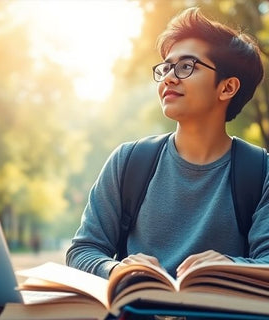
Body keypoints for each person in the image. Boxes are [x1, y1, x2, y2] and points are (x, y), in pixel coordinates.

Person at [66, 7, 269, 282]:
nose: (169, 78)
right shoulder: (128, 161)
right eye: (166, 67)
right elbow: (84, 250)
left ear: (227, 88)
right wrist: (117, 269)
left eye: (186, 66)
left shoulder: (260, 171)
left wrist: (228, 267)